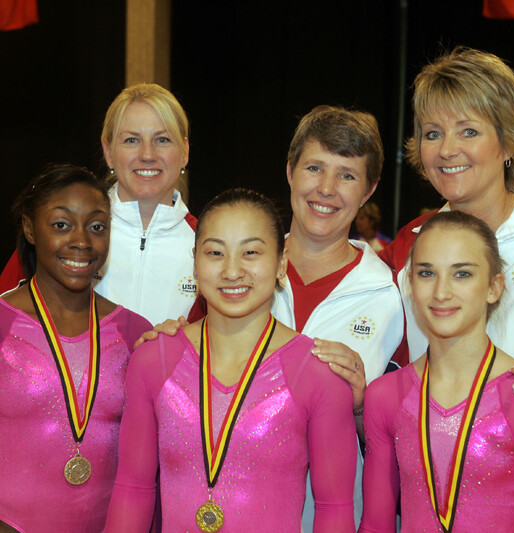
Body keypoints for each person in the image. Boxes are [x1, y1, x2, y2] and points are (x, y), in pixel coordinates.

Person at [139, 105, 405, 528]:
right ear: (289, 171)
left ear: (369, 189)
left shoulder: (393, 294)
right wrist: (167, 339)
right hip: (227, 510)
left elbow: (408, 436)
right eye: (314, 168)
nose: (326, 188)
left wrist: (359, 408)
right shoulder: (234, 274)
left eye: (347, 175)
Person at [104, 188, 358, 532]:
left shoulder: (320, 374)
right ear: (195, 263)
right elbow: (132, 489)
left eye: (250, 252)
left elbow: (334, 510)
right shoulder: (153, 360)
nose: (232, 270)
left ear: (281, 263)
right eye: (215, 253)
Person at [0, 164, 151, 532]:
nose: (82, 240)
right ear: (30, 228)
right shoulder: (4, 323)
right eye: (61, 225)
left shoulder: (135, 332)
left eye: (97, 227)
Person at [360, 211, 514, 532]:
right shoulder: (384, 396)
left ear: (494, 287)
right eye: (427, 273)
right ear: (411, 284)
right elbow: (375, 525)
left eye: (462, 274)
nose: (441, 292)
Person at [380, 48, 514, 401]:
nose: (447, 150)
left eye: (468, 131)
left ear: (509, 142)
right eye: (433, 134)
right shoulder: (409, 243)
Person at [0, 83, 197, 325]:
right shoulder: (61, 233)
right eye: (132, 140)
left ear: (185, 151)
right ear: (109, 151)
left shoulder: (208, 245)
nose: (147, 155)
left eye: (162, 139)